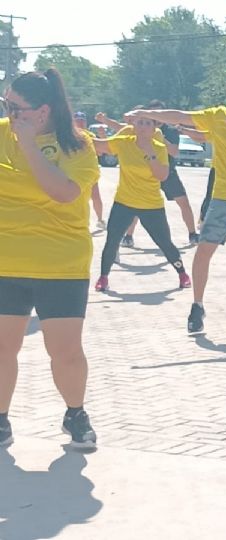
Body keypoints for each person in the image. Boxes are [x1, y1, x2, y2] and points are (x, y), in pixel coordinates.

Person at [128, 67, 226, 337]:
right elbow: (181, 116)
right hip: (223, 197)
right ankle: (197, 307)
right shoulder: (219, 115)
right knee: (203, 252)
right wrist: (147, 114)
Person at [0, 69, 101, 449]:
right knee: (2, 348)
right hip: (5, 261)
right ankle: (1, 420)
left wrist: (27, 149)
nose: (10, 114)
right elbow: (45, 189)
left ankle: (75, 412)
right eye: (6, 105)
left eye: (16, 107)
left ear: (42, 112)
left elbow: (61, 193)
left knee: (66, 351)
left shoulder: (77, 145)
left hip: (61, 265)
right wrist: (33, 189)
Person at [90, 109, 191, 292]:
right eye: (139, 123)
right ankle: (103, 277)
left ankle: (182, 273)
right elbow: (98, 145)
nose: (143, 127)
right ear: (133, 126)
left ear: (154, 129)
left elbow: (162, 175)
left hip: (151, 205)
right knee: (112, 240)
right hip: (124, 202)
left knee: (164, 243)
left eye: (147, 123)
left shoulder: (159, 148)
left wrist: (150, 152)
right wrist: (74, 133)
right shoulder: (123, 142)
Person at [96, 103, 201, 246]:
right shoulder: (138, 127)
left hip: (166, 171)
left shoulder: (168, 131)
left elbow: (174, 152)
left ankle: (192, 234)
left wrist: (156, 134)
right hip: (144, 173)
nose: (156, 114)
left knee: (183, 202)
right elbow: (120, 129)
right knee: (135, 206)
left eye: (158, 112)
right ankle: (128, 236)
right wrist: (105, 122)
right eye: (153, 112)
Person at [75, 111, 106, 229]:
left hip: (90, 171)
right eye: (78, 120)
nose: (80, 123)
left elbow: (100, 151)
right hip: (75, 171)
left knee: (95, 196)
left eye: (82, 120)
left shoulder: (90, 135)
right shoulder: (69, 135)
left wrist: (102, 136)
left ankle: (100, 219)